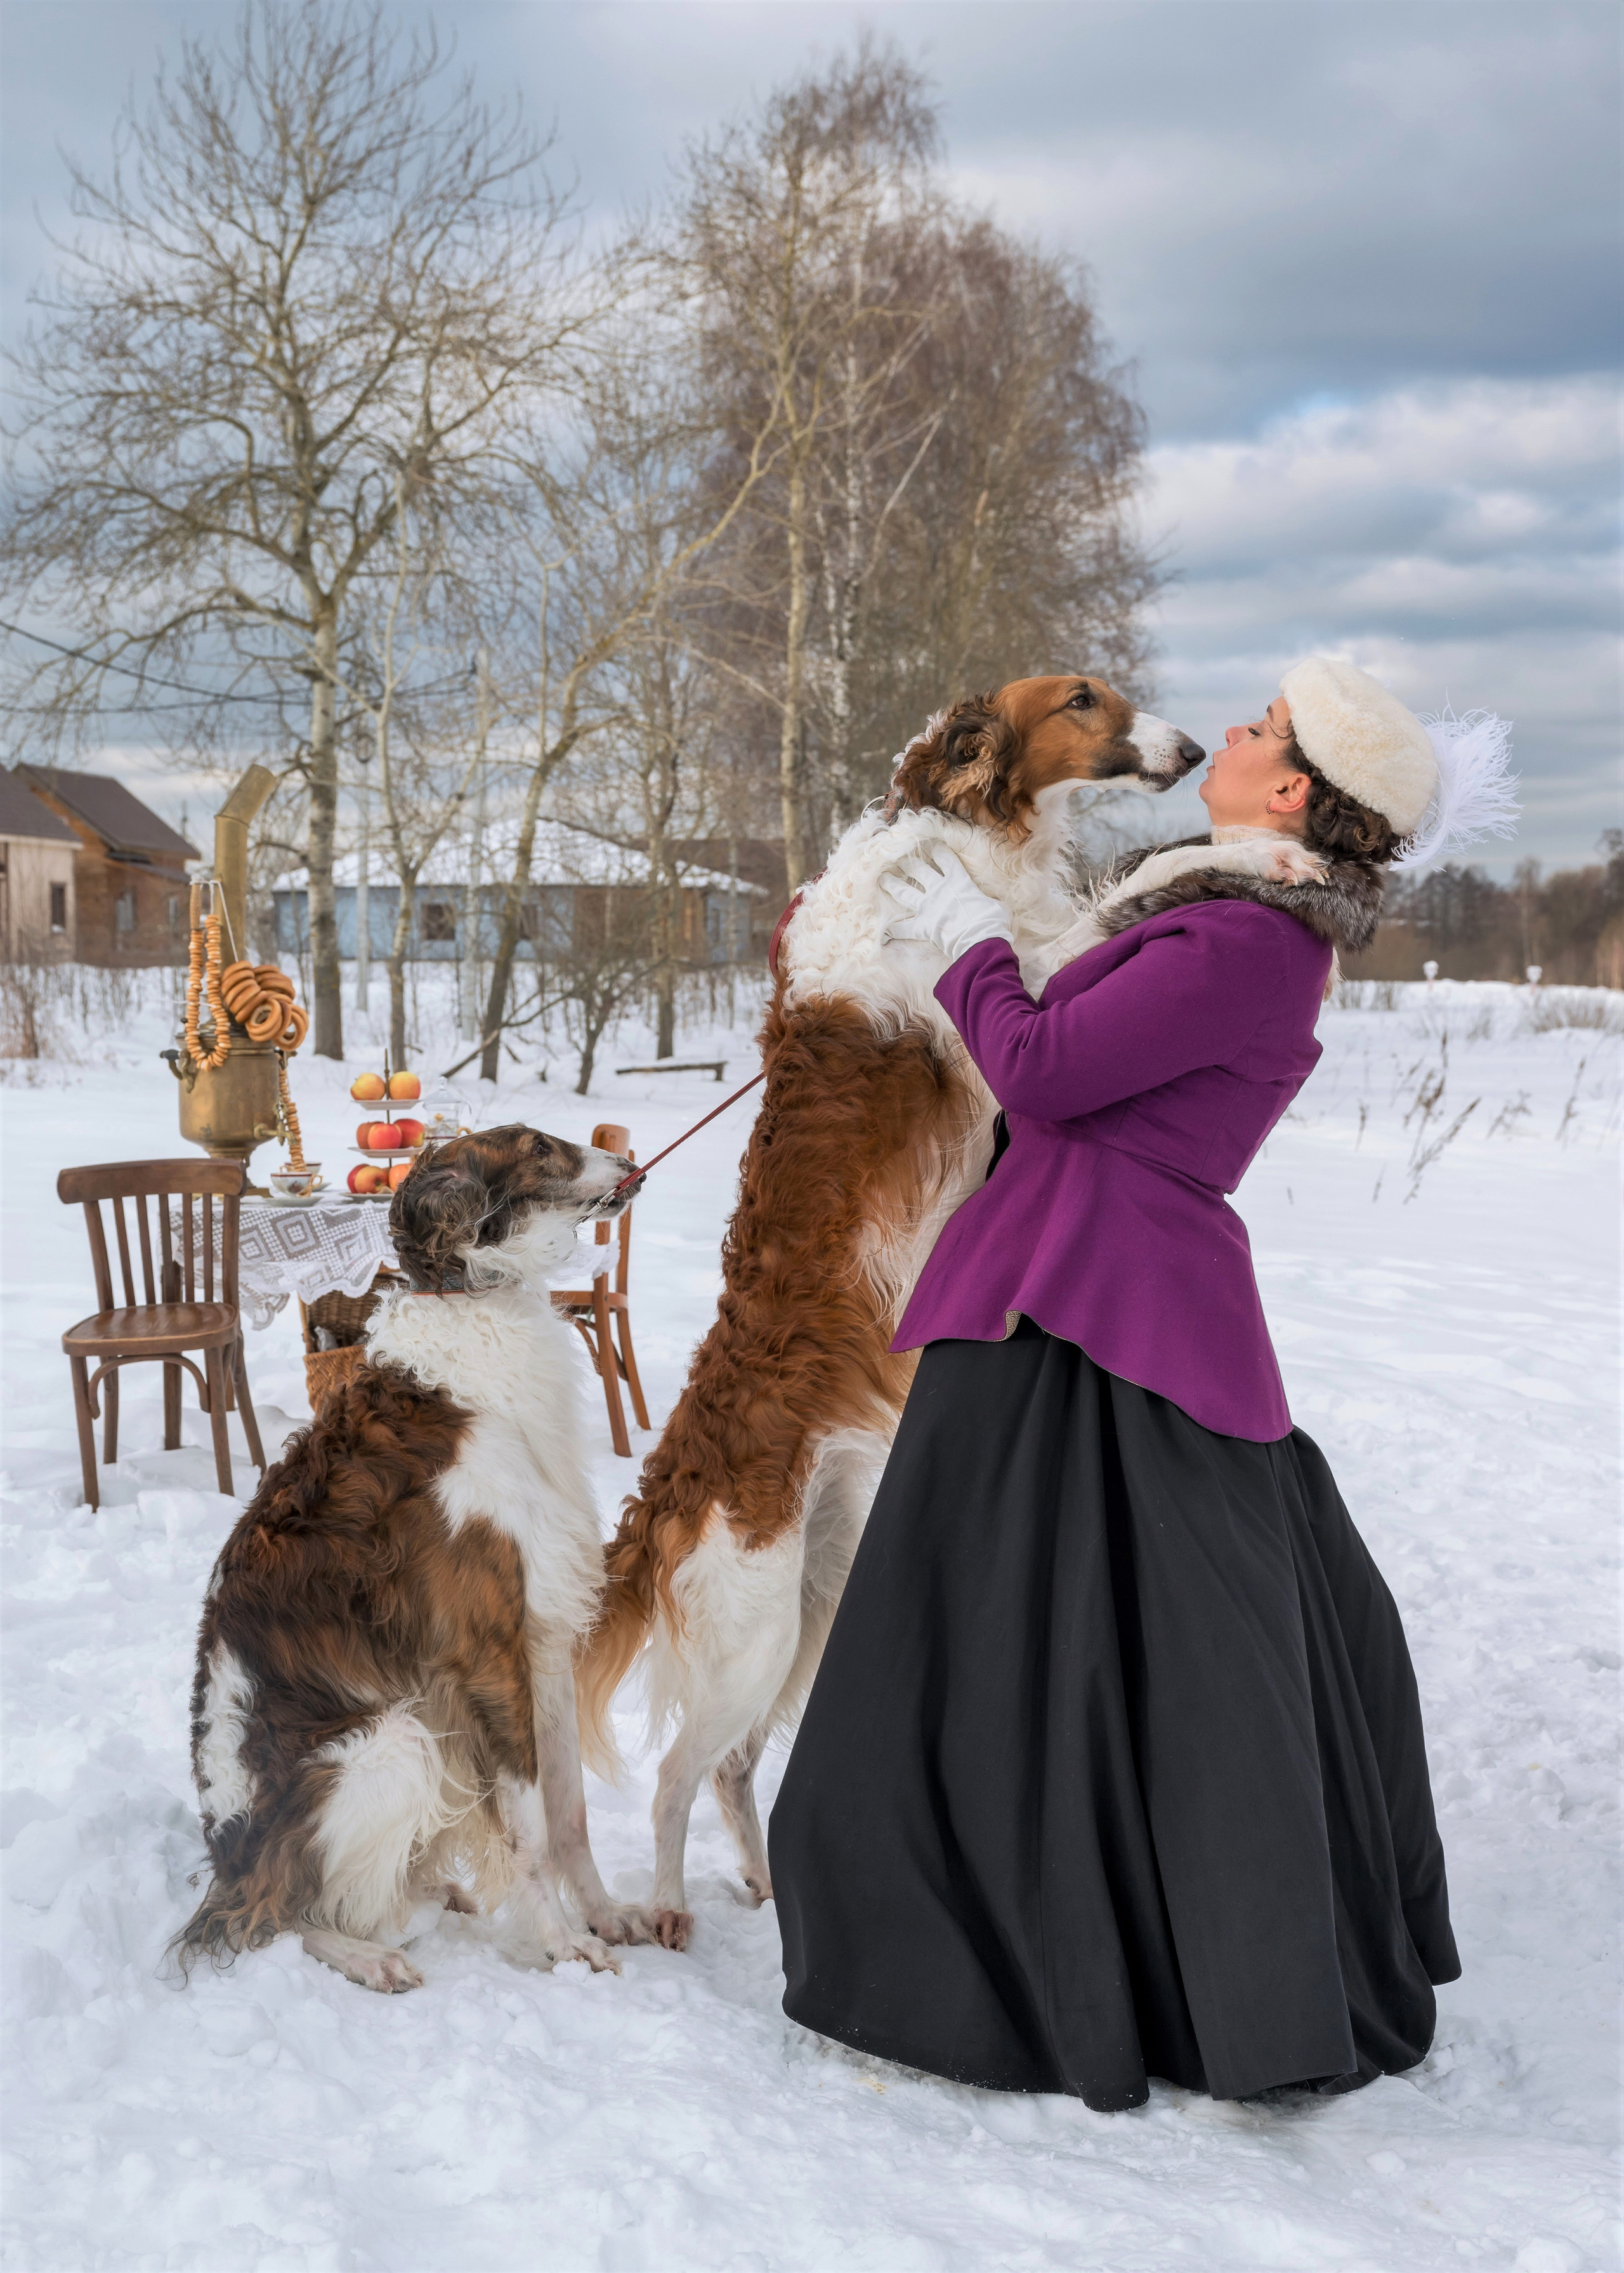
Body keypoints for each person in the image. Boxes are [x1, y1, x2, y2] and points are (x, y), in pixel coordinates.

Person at [768, 659, 1516, 2111]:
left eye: (1255, 731)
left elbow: (1045, 1071)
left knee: (1109, 1646)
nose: (1224, 738)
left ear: (1292, 789)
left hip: (1107, 1297)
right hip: (1059, 1279)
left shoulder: (1248, 933)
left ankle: (1088, 1963)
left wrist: (968, 947)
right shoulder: (1208, 900)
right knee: (1030, 1635)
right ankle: (999, 1929)